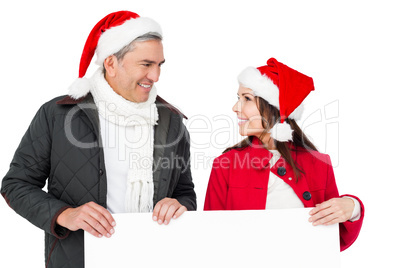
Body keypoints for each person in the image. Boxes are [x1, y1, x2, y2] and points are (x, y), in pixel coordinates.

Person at [1, 11, 196, 267]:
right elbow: (16, 185)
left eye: (160, 65)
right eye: (146, 64)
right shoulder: (58, 115)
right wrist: (65, 214)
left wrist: (178, 205)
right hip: (79, 259)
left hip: (153, 257)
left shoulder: (171, 122)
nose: (156, 76)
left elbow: (185, 193)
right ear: (111, 63)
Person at [203, 57, 364, 251]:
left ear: (275, 107)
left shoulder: (319, 165)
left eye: (246, 98)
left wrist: (353, 207)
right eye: (238, 98)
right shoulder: (225, 165)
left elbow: (332, 240)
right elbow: (210, 238)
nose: (235, 108)